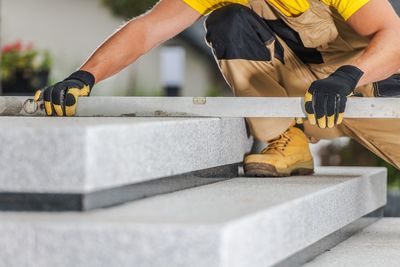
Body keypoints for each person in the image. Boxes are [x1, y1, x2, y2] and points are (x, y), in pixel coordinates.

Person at [34, 0, 400, 177]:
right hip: (306, 98)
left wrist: (348, 76)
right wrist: (84, 76)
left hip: (371, 90)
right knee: (228, 21)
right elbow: (148, 29)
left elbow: (394, 37)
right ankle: (286, 139)